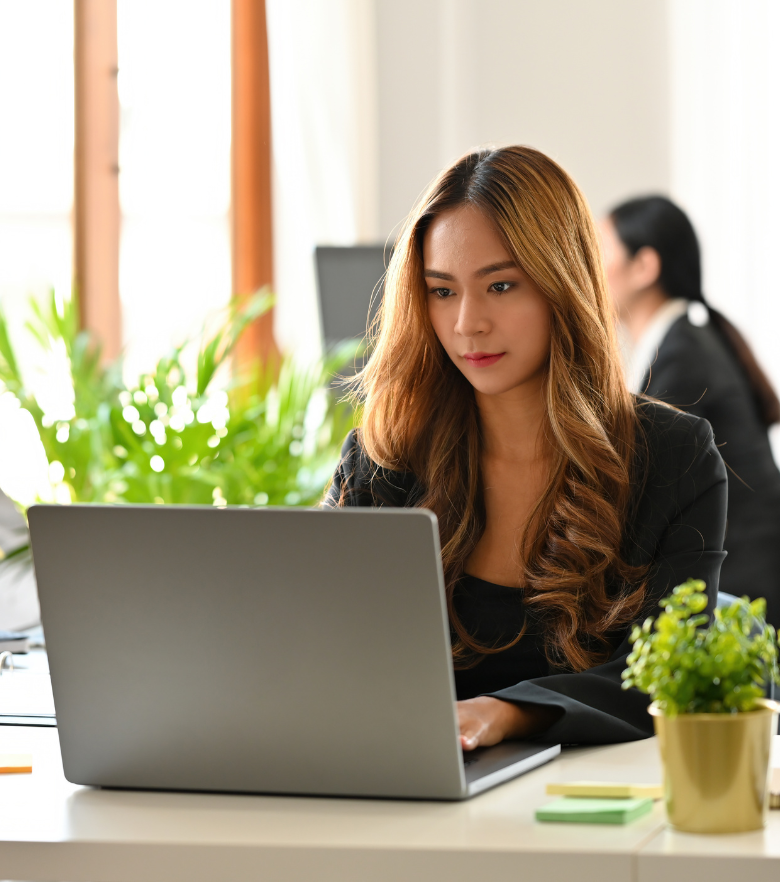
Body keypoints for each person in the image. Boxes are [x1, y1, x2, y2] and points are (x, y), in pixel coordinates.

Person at [324, 147, 727, 749]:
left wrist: (508, 713)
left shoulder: (673, 457)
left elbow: (668, 676)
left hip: (592, 809)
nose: (468, 324)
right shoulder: (386, 457)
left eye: (501, 285)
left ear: (563, 283)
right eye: (441, 291)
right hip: (411, 791)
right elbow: (322, 648)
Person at [601, 196, 780, 628]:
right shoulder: (682, 342)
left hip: (745, 593)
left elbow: (634, 486)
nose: (589, 269)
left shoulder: (683, 358)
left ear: (644, 266)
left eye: (600, 252)